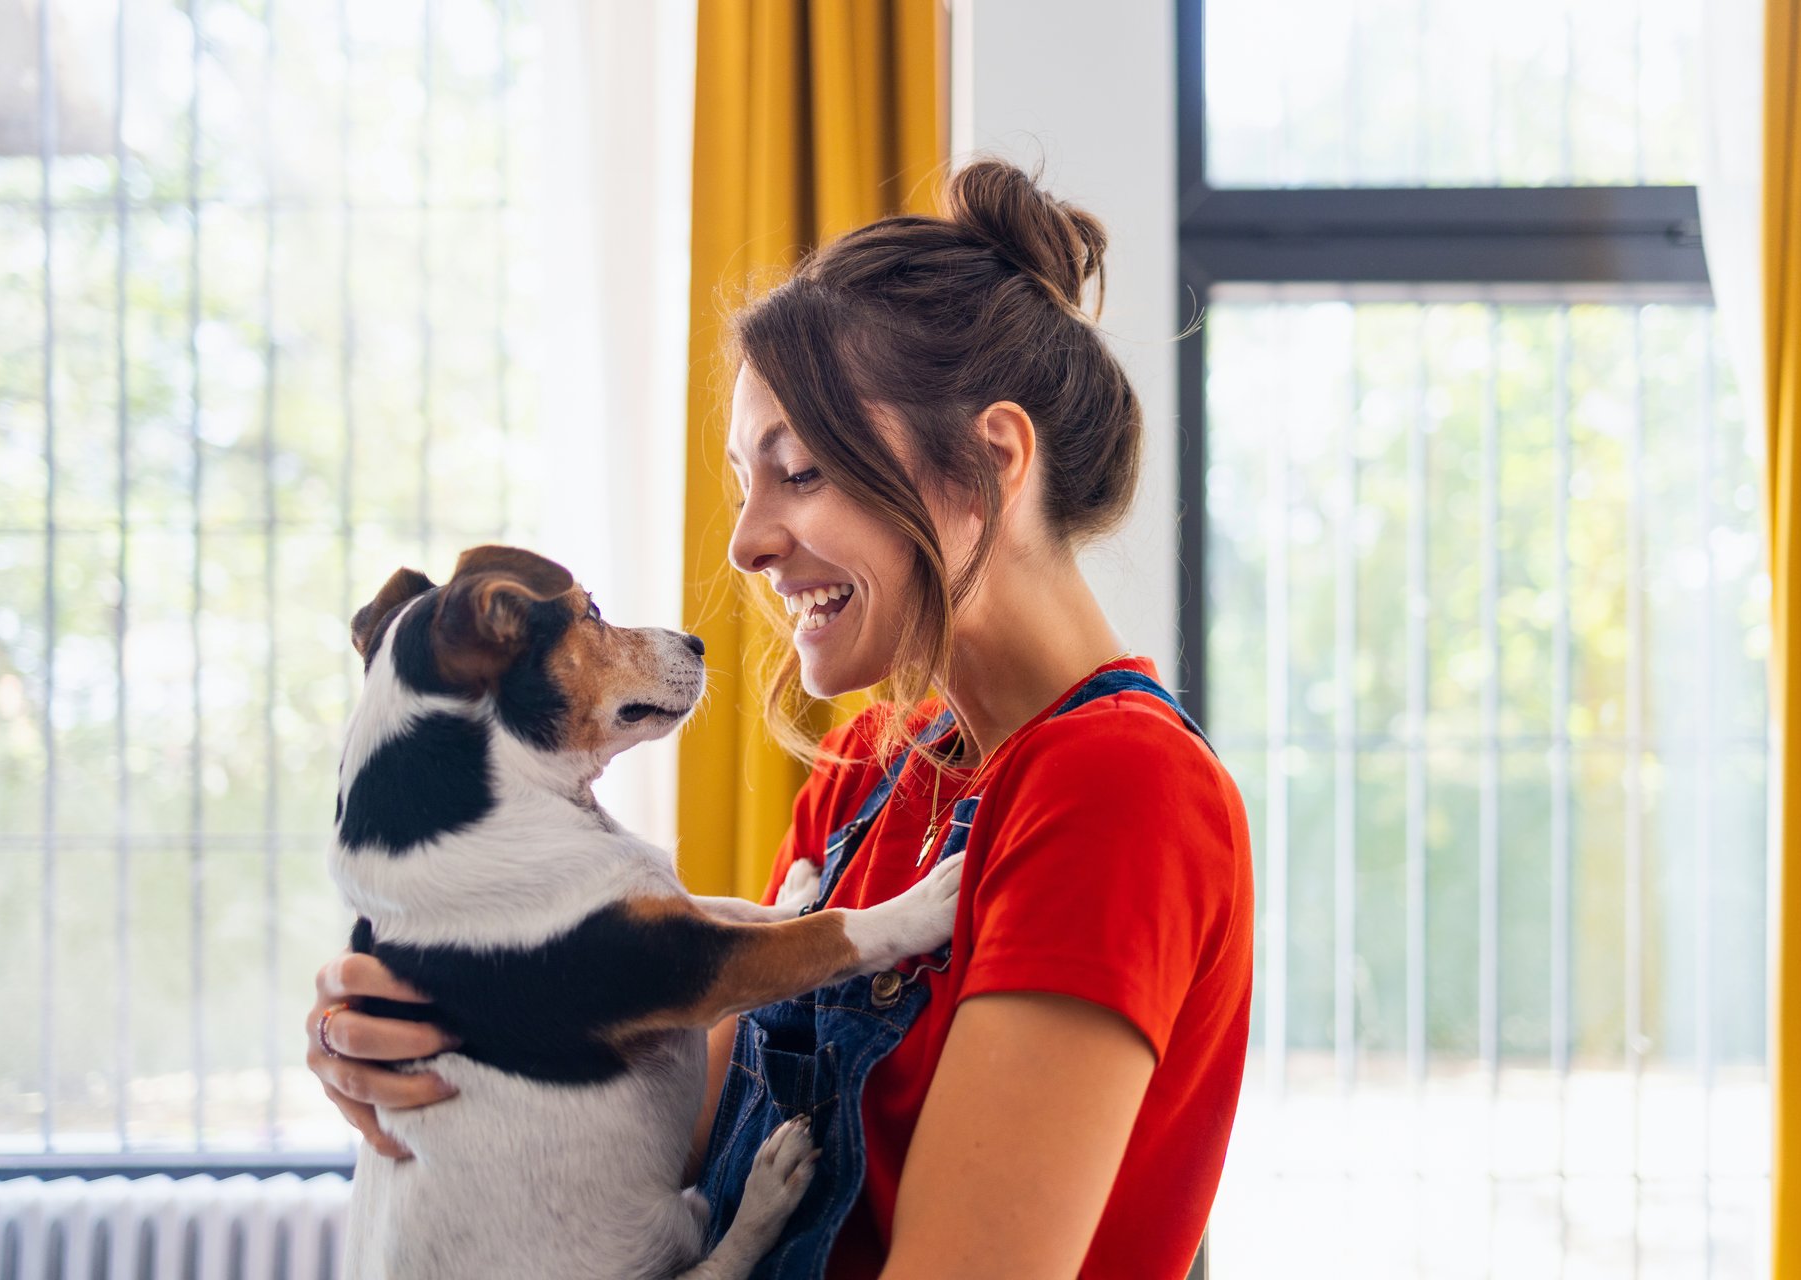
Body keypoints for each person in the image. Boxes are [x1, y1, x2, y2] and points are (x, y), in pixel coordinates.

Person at [306, 159, 1254, 1280]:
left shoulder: (1116, 790)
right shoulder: (865, 775)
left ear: (991, 462)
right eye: (742, 480)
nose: (745, 541)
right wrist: (453, 1029)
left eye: (798, 470)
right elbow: (662, 1137)